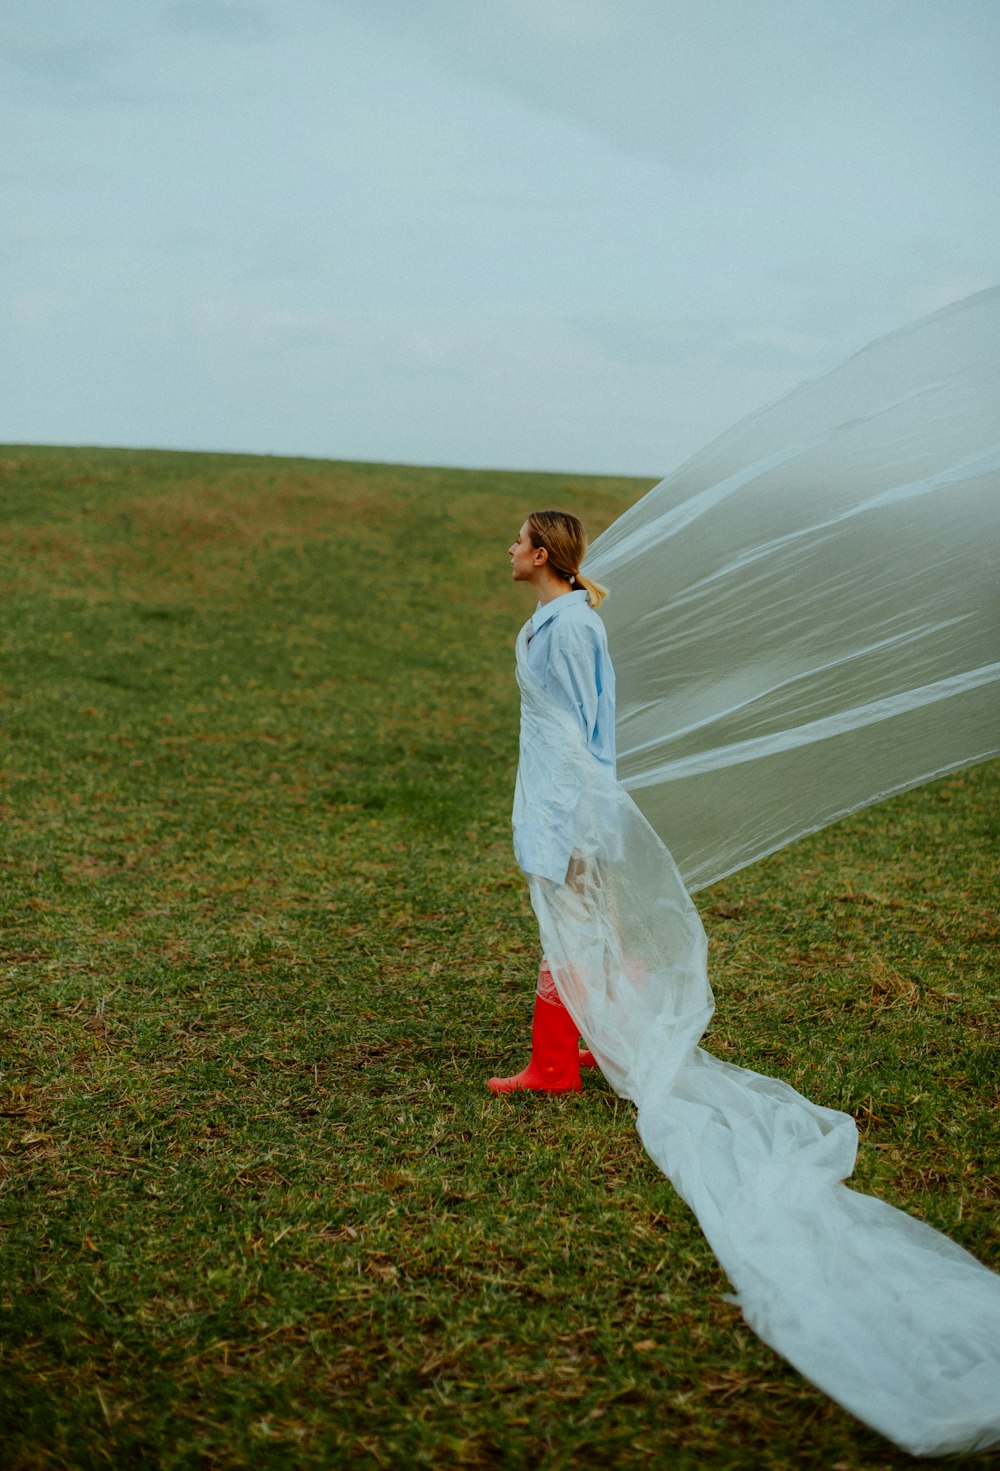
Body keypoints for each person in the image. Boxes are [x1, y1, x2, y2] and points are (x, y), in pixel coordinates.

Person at [487, 509, 614, 1094]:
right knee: (578, 921)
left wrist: (561, 818)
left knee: (570, 922)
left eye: (519, 541)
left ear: (541, 556)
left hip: (567, 800)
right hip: (550, 793)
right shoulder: (547, 620)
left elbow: (577, 732)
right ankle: (609, 1042)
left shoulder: (570, 628)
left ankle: (555, 1066)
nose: (509, 548)